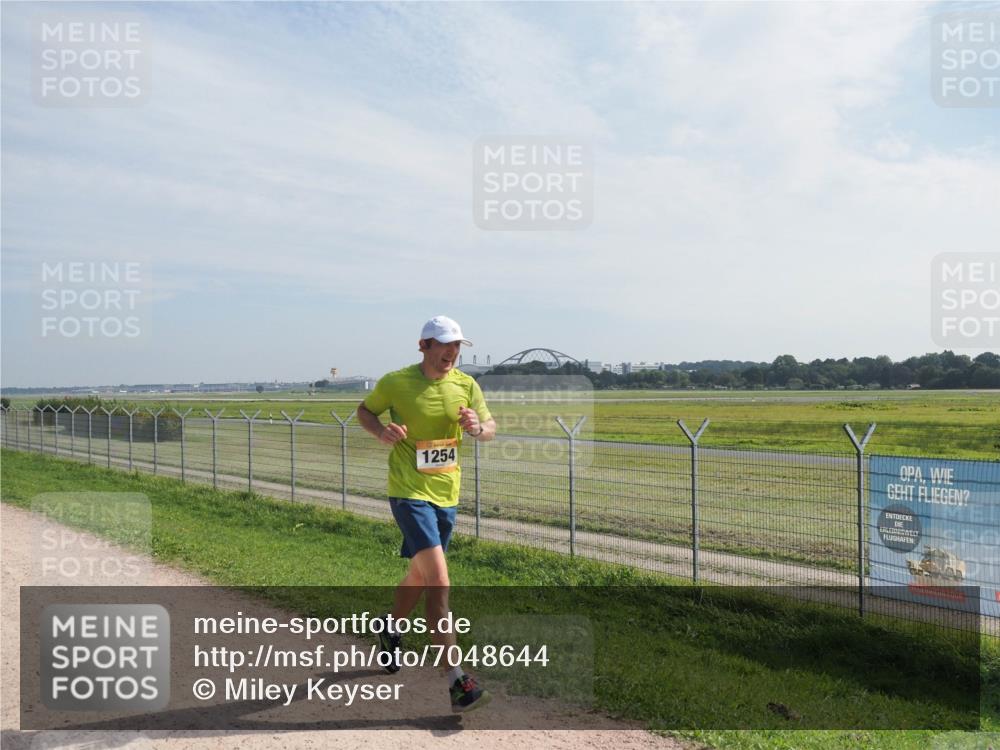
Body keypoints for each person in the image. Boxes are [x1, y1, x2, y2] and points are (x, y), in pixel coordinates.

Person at [357, 315, 497, 714]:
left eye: (457, 345)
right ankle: (458, 680)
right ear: (424, 346)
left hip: (446, 494)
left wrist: (476, 428)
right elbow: (365, 411)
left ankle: (389, 628)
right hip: (407, 492)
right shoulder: (396, 382)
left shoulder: (466, 385)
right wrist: (380, 431)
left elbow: (490, 427)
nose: (452, 352)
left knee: (420, 574)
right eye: (444, 344)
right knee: (438, 579)